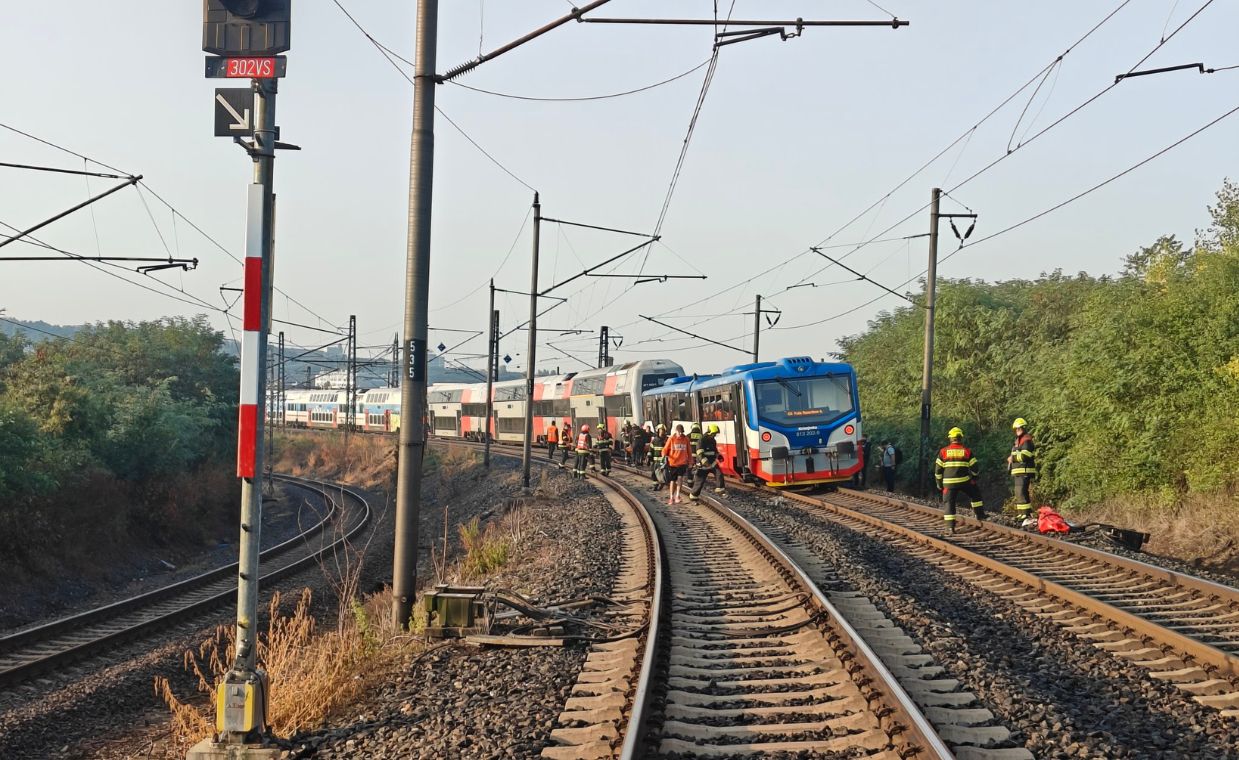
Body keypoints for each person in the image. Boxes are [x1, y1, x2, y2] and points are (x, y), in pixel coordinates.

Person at [934, 427, 985, 533]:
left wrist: (939, 484)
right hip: (964, 482)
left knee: (949, 503)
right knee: (975, 494)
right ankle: (980, 515)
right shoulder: (966, 451)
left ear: (950, 438)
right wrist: (974, 478)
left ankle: (950, 527)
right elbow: (975, 467)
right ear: (961, 438)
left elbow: (938, 471)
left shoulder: (943, 452)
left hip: (948, 484)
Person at [1007, 418, 1036, 523]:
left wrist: (1013, 458)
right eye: (1016, 428)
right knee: (1018, 493)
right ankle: (1021, 513)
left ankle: (1026, 514)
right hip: (1018, 471)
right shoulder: (1018, 441)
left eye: (1019, 428)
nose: (1017, 430)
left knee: (1022, 492)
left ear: (1023, 428)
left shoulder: (1026, 440)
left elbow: (1026, 455)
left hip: (1024, 470)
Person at [689, 424, 726, 500]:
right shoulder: (702, 440)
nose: (714, 435)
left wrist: (719, 456)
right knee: (700, 480)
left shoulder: (713, 440)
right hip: (703, 464)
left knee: (719, 474)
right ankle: (694, 495)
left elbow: (714, 451)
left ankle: (720, 488)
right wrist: (704, 462)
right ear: (710, 432)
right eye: (714, 434)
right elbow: (699, 452)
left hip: (712, 462)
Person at [664, 424, 692, 505]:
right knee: (673, 480)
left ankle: (677, 496)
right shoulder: (671, 439)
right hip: (673, 463)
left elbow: (689, 451)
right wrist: (663, 455)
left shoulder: (686, 439)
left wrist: (690, 462)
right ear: (676, 431)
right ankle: (671, 497)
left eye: (681, 432)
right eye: (679, 432)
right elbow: (665, 448)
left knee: (680, 479)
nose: (680, 434)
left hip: (682, 463)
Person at [649, 424, 667, 490]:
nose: (662, 432)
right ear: (658, 431)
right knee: (653, 473)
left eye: (663, 430)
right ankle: (655, 485)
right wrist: (649, 457)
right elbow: (651, 449)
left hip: (663, 461)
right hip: (655, 460)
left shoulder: (666, 440)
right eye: (660, 430)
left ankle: (661, 483)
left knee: (662, 474)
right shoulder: (654, 440)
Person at [686, 422, 703, 488]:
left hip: (690, 456)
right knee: (699, 469)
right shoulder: (702, 436)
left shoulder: (688, 436)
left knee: (689, 469)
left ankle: (690, 482)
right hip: (699, 457)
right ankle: (697, 482)